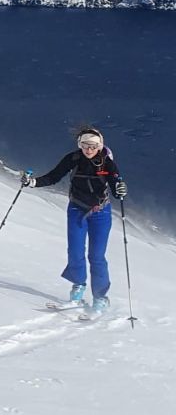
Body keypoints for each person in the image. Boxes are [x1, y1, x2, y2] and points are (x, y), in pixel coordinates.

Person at [22, 126, 127, 314]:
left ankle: (100, 298)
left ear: (100, 145)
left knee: (96, 256)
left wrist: (120, 190)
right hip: (77, 209)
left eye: (93, 146)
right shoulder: (73, 159)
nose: (89, 149)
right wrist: (33, 182)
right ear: (80, 145)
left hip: (100, 213)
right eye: (85, 145)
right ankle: (78, 287)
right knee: (75, 251)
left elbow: (115, 185)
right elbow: (54, 176)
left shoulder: (107, 164)